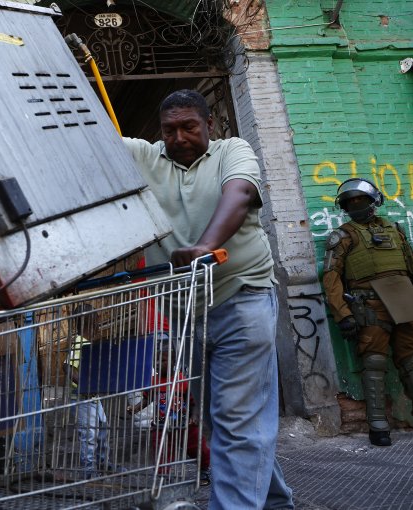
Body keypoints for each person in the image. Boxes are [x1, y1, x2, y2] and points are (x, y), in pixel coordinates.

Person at [122, 89, 294, 509]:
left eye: (189, 127)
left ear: (209, 126)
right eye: (170, 130)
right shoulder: (145, 157)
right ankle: (275, 503)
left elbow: (239, 194)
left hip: (242, 297)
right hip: (184, 310)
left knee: (236, 418)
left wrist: (206, 245)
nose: (179, 137)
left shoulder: (232, 151)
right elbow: (85, 137)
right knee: (227, 418)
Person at [323, 178, 413, 446]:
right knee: (374, 363)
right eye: (352, 202)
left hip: (405, 303)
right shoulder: (343, 236)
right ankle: (378, 425)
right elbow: (331, 278)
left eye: (362, 200)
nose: (357, 205)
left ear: (374, 201)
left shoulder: (396, 230)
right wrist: (343, 314)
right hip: (370, 307)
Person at [126, 335, 211, 486]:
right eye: (156, 361)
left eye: (163, 360)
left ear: (173, 362)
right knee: (161, 451)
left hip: (185, 424)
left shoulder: (182, 380)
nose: (158, 364)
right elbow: (148, 398)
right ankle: (164, 477)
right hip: (161, 425)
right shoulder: (153, 381)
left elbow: (194, 401)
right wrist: (135, 408)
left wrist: (195, 416)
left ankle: (204, 470)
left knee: (198, 448)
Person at [66, 304, 119, 479]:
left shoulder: (88, 343)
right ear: (88, 322)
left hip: (93, 397)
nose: (98, 324)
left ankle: (104, 463)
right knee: (89, 434)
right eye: (95, 319)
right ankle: (88, 471)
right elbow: (67, 366)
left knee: (102, 428)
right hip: (82, 397)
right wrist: (84, 384)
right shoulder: (79, 342)